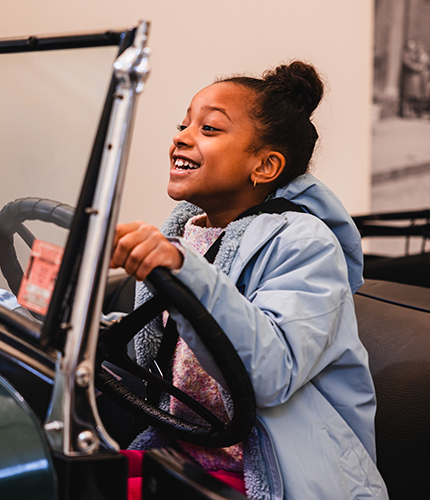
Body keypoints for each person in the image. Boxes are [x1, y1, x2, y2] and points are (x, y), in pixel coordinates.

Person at [111, 61, 389, 500]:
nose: (181, 136)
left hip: (274, 474)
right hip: (189, 455)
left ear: (265, 166)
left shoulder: (306, 242)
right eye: (183, 124)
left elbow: (271, 371)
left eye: (209, 129)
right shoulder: (191, 234)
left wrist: (183, 269)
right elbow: (167, 346)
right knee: (50, 470)